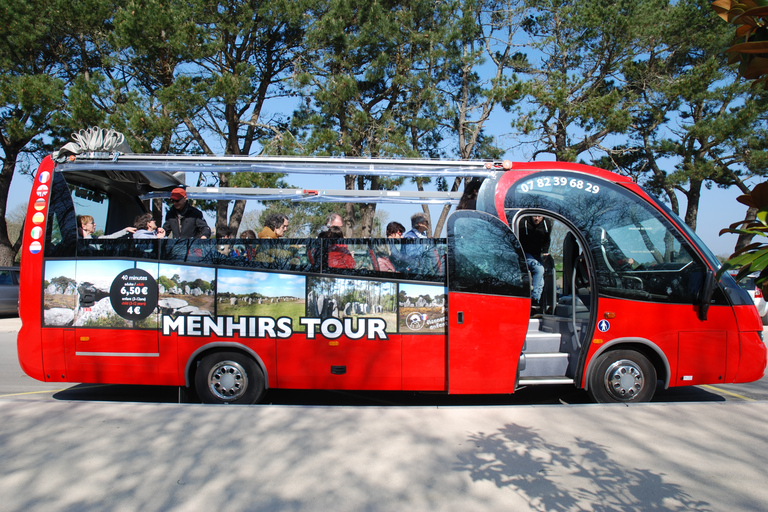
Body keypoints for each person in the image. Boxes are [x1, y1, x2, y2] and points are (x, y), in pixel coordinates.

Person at [518, 215, 552, 310]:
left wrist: (545, 251)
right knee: (539, 269)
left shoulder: (546, 224)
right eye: (534, 216)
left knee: (541, 278)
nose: (536, 218)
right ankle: (535, 298)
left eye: (539, 216)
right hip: (524, 253)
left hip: (537, 253)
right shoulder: (522, 222)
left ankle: (536, 301)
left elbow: (547, 239)